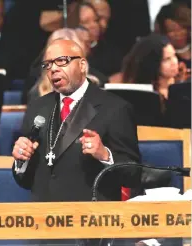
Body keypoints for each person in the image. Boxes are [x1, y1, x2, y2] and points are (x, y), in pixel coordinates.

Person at [12, 39, 140, 201]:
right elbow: (26, 180)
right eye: (48, 65)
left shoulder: (115, 108)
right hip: (44, 217)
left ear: (82, 66)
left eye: (61, 61)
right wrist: (21, 160)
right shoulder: (37, 108)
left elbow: (133, 174)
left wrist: (104, 155)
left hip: (90, 217)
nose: (53, 69)